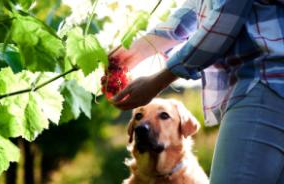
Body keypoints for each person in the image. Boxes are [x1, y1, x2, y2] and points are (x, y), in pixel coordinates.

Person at [111, 0, 284, 183]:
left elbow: (224, 21)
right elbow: (190, 14)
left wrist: (158, 81)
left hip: (266, 81)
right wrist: (127, 54)